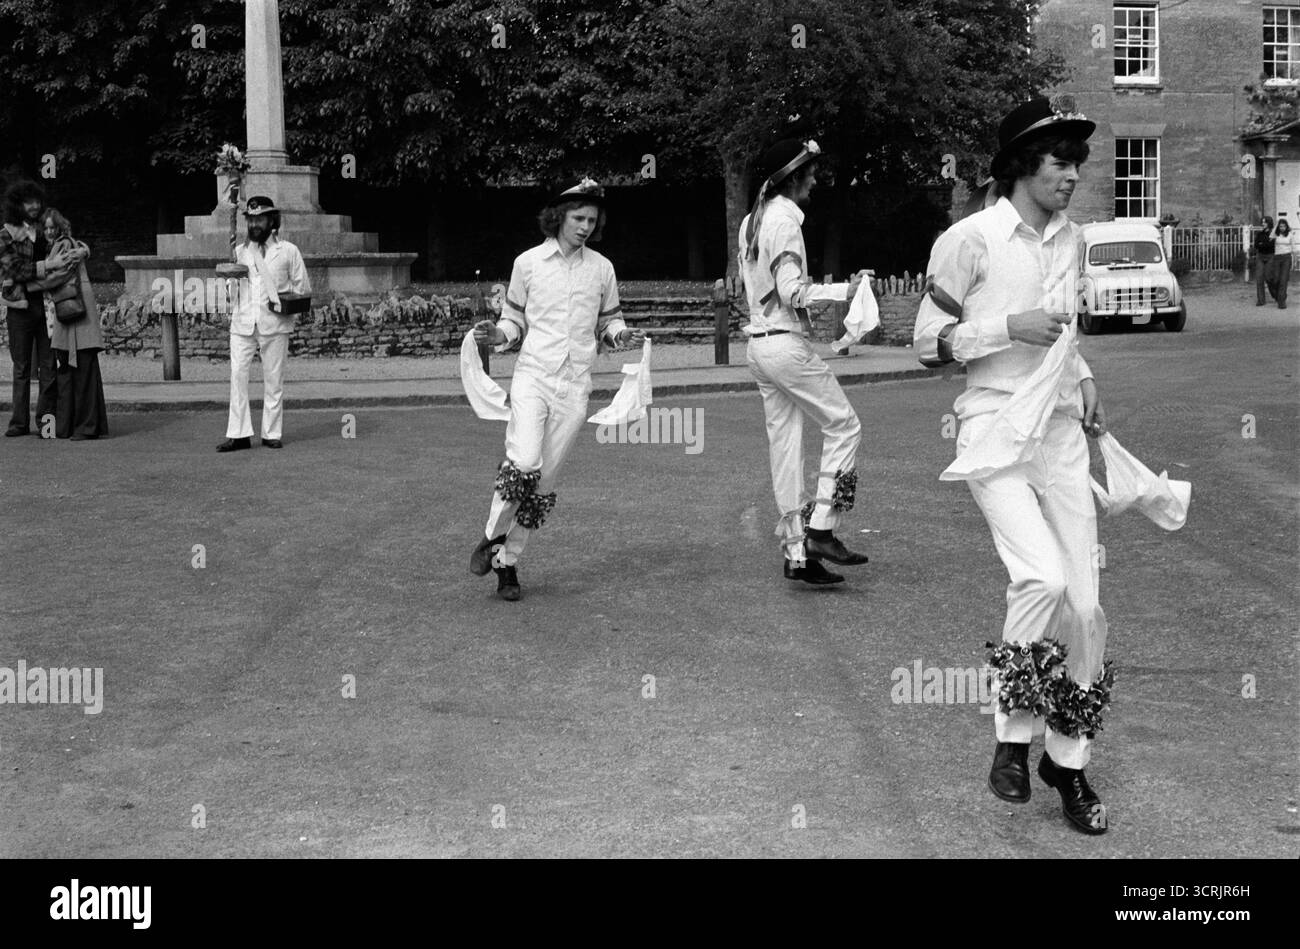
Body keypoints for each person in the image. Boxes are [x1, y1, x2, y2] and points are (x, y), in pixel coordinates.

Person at [913, 95, 1113, 835]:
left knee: (1086, 608)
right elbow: (927, 341)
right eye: (1062, 163)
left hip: (1058, 429)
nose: (1073, 177)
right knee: (1040, 577)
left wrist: (1083, 374)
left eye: (1076, 165)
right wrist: (1007, 327)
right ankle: (1010, 739)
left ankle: (1068, 761)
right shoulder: (968, 240)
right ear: (1022, 166)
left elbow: (1062, 329)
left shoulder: (1072, 238)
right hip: (993, 426)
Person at [467, 178, 643, 601]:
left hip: (576, 385)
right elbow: (514, 321)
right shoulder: (527, 263)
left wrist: (621, 337)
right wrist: (497, 334)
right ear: (558, 216)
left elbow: (609, 321)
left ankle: (507, 564)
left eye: (592, 220)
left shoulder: (602, 269)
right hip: (533, 377)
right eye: (578, 218)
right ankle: (492, 538)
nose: (585, 226)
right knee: (524, 460)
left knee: (543, 482)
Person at [738, 139, 869, 586]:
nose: (814, 179)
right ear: (792, 178)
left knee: (786, 445)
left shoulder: (752, 221)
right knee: (844, 424)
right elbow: (793, 292)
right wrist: (845, 292)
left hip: (758, 346)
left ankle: (797, 554)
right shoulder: (785, 223)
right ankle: (822, 528)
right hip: (784, 345)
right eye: (809, 172)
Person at [216, 196, 310, 452]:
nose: (255, 224)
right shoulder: (239, 252)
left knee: (274, 380)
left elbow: (302, 288)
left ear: (272, 220)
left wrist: (284, 302)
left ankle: (271, 432)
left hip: (275, 323)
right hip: (243, 322)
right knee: (237, 378)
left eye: (260, 219)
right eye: (251, 219)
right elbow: (230, 296)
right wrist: (229, 281)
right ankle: (239, 434)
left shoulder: (288, 251)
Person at [1, 180, 80, 436]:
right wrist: (50, 265)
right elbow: (16, 270)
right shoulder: (5, 234)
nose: (34, 206)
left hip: (47, 305)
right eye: (28, 202)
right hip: (20, 307)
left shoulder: (45, 228)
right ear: (18, 205)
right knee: (22, 367)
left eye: (36, 201)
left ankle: (46, 422)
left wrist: (85, 250)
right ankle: (18, 423)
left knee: (49, 365)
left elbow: (70, 242)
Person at [42, 209, 108, 440]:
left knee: (79, 372)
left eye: (52, 227)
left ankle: (83, 426)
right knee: (76, 371)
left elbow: (54, 274)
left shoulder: (63, 246)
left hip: (76, 315)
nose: (49, 231)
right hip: (72, 314)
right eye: (46, 227)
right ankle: (79, 425)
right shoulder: (70, 245)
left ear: (60, 228)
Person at [1270, 218, 1293, 309]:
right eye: (1280, 226)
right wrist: (1276, 226)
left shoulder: (1290, 235)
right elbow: (1271, 237)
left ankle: (1281, 302)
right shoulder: (1276, 234)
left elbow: (1293, 247)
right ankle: (1280, 296)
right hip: (1277, 258)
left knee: (1283, 280)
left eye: (1284, 226)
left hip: (1287, 258)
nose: (1282, 228)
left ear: (1286, 226)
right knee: (1275, 279)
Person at [1254, 216, 1275, 307]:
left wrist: (1262, 244)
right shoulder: (1260, 234)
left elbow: (1270, 245)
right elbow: (1256, 245)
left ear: (1269, 223)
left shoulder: (1273, 234)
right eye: (1262, 222)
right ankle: (1261, 300)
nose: (1263, 224)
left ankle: (1276, 295)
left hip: (1270, 256)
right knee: (1259, 279)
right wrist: (1263, 244)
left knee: (1268, 278)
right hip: (1260, 257)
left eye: (1265, 222)